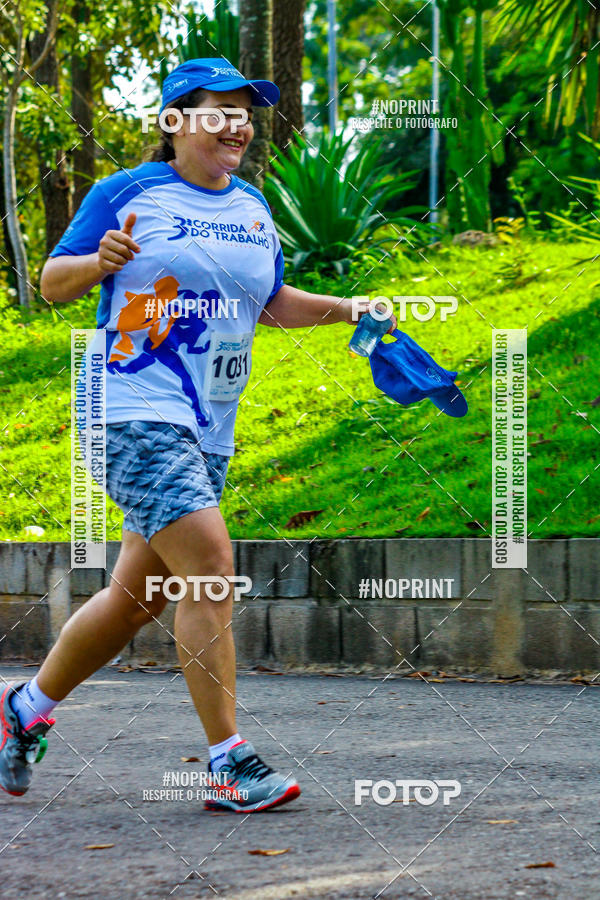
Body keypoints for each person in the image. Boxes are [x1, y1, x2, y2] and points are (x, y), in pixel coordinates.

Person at [0, 58, 395, 811]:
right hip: (130, 406)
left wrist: (352, 308)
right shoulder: (126, 192)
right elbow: (51, 284)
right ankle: (228, 762)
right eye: (220, 110)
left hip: (209, 423)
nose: (239, 125)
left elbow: (270, 302)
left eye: (245, 113)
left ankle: (26, 705)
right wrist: (99, 261)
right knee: (211, 566)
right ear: (176, 121)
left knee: (138, 598)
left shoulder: (252, 207)